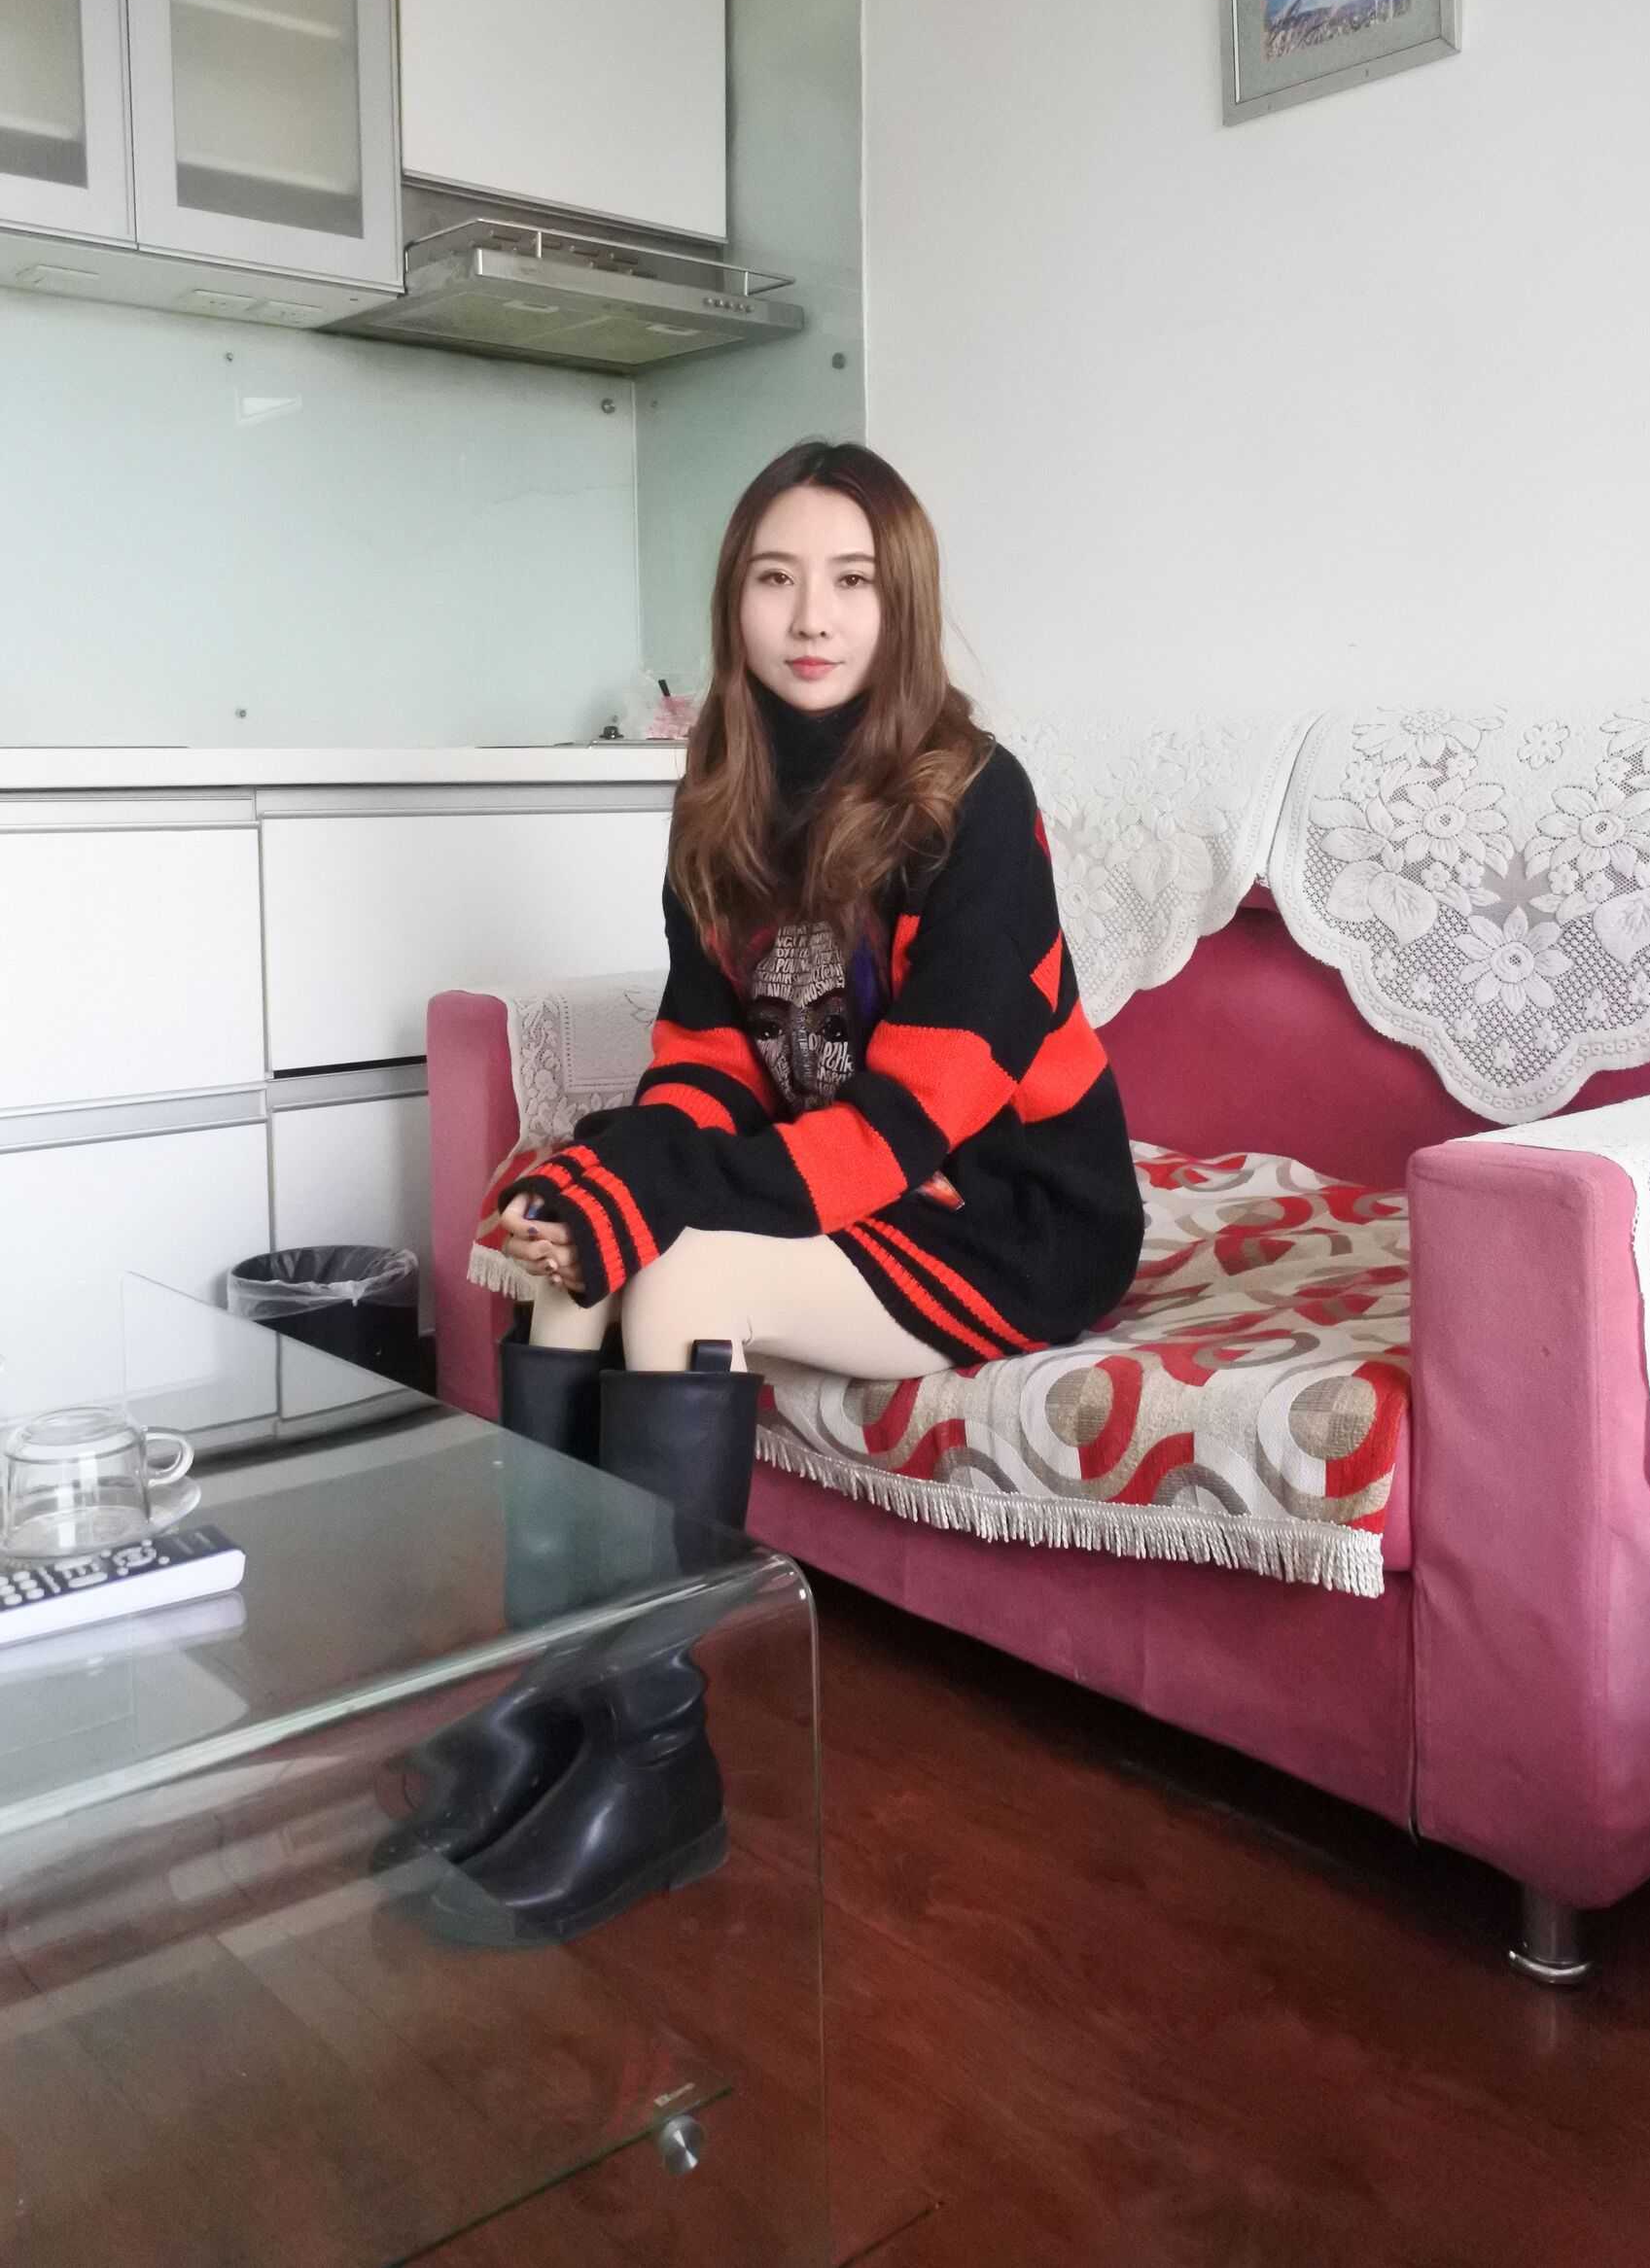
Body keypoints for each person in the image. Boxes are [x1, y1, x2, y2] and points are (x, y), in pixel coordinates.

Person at [390, 438, 1142, 1948]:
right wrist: (613, 1179)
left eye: (852, 581)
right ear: (732, 602)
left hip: (1003, 1208)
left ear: (901, 603)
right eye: (776, 578)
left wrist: (653, 1195)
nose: (812, 616)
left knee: (676, 1268)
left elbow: (908, 1126)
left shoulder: (975, 803)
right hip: (859, 1175)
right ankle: (561, 1695)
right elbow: (706, 1064)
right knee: (566, 1243)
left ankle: (658, 1762)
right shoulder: (720, 796)